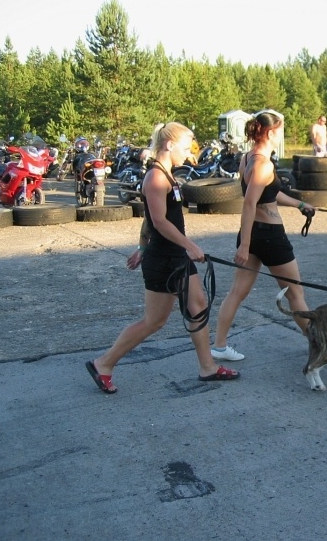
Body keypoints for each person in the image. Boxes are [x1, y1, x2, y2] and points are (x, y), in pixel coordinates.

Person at [85, 122, 239, 394]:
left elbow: (149, 220)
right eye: (186, 147)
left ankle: (208, 367)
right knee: (154, 321)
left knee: (198, 305)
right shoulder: (156, 178)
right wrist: (189, 246)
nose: (189, 153)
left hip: (175, 255)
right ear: (169, 145)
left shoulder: (167, 176)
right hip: (165, 259)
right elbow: (158, 221)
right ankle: (103, 363)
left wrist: (141, 247)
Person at [212, 112, 314, 360]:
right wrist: (244, 246)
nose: (283, 135)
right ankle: (318, 343)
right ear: (270, 132)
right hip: (269, 238)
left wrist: (300, 205)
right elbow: (249, 203)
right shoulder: (263, 164)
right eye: (281, 130)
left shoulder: (248, 158)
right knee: (295, 294)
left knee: (237, 292)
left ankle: (219, 346)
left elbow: (269, 193)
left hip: (255, 234)